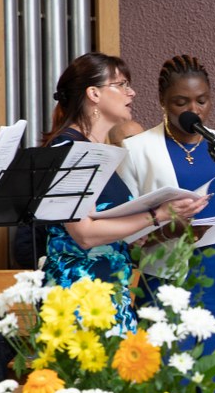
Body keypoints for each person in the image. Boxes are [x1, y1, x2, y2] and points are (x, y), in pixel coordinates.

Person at [120, 56, 215, 393]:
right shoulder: (137, 149)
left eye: (202, 100)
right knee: (171, 384)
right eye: (182, 102)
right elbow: (125, 226)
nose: (194, 109)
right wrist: (167, 230)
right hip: (165, 278)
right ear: (162, 101)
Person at [41, 53, 205, 332]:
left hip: (110, 291)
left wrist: (142, 231)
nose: (132, 92)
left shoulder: (97, 150)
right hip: (79, 298)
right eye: (121, 84)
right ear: (94, 93)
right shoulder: (70, 151)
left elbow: (103, 223)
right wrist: (158, 214)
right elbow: (84, 234)